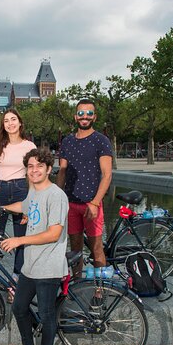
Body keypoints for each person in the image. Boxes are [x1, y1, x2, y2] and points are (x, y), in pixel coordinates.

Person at [0, 148, 68, 345]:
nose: (34, 170)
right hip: (31, 265)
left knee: (47, 315)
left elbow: (53, 233)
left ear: (49, 168)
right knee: (18, 308)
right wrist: (2, 208)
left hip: (49, 265)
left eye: (39, 166)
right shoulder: (34, 193)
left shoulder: (55, 195)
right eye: (30, 166)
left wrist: (19, 240)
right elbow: (25, 207)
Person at [56, 98, 113, 276]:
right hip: (72, 204)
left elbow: (107, 174)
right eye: (81, 113)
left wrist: (95, 202)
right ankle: (77, 283)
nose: (85, 117)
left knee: (96, 248)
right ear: (75, 117)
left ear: (94, 117)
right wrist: (57, 198)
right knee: (75, 249)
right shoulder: (67, 141)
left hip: (91, 204)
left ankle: (100, 289)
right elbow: (62, 172)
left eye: (89, 113)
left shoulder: (101, 140)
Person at [0, 109, 36, 285]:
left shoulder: (29, 146)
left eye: (13, 119)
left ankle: (16, 281)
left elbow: (33, 178)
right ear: (3, 125)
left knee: (21, 239)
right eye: (6, 121)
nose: (10, 123)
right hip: (0, 190)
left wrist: (31, 204)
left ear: (20, 123)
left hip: (21, 191)